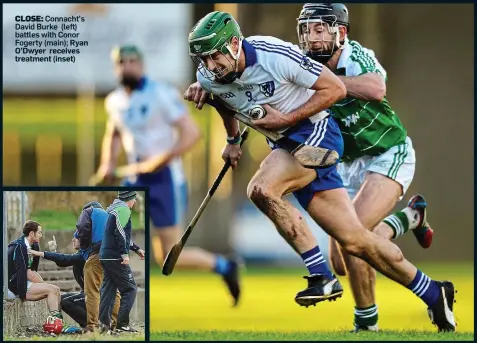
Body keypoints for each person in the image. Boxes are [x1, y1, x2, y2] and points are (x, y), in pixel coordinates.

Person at [184, 11, 456, 332]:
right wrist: (231, 140)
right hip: (306, 151)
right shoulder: (210, 75)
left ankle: (322, 278)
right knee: (352, 244)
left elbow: (348, 89)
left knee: (261, 189)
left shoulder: (280, 55)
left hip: (333, 141)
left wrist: (285, 118)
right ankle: (433, 291)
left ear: (233, 43)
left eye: (214, 55)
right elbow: (227, 100)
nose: (210, 65)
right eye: (203, 59)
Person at [293, 3, 436, 332]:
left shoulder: (355, 55)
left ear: (340, 32)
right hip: (348, 166)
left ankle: (366, 325)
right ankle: (409, 218)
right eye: (307, 29)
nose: (312, 38)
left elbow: (376, 88)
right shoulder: (302, 68)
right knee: (342, 260)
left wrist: (331, 85)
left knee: (353, 237)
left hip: (388, 153)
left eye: (320, 29)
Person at [94, 44, 241, 306]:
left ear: (141, 65)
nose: (127, 66)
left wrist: (160, 161)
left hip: (164, 180)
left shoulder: (160, 94)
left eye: (132, 61)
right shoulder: (114, 101)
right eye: (121, 62)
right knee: (111, 233)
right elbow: (114, 133)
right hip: (134, 179)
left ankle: (225, 266)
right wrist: (107, 163)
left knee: (168, 258)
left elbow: (192, 134)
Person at [7, 220, 68, 334]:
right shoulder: (19, 247)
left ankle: (58, 323)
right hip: (14, 285)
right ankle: (56, 325)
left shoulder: (34, 245)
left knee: (55, 290)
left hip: (24, 281)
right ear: (31, 234)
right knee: (52, 290)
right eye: (39, 232)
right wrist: (47, 286)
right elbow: (28, 273)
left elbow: (33, 271)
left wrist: (47, 286)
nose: (41, 235)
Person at [99, 191, 144, 333]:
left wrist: (136, 249)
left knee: (108, 290)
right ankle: (122, 324)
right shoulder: (124, 210)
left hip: (105, 255)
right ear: (129, 199)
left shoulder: (113, 210)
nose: (135, 202)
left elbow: (120, 233)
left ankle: (103, 325)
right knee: (130, 288)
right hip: (115, 256)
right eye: (134, 199)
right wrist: (124, 254)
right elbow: (119, 233)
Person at [75, 200, 124, 333]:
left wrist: (86, 247)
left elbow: (82, 227)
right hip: (115, 254)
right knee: (114, 291)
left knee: (92, 291)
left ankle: (93, 326)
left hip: (97, 252)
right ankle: (115, 325)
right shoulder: (110, 215)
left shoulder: (89, 211)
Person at [29, 231, 89, 333]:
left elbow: (65, 259)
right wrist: (54, 251)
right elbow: (63, 262)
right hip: (86, 293)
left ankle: (91, 326)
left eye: (76, 238)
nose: (73, 240)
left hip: (96, 295)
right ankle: (61, 324)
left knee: (66, 301)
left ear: (83, 240)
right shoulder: (80, 254)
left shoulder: (84, 256)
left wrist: (39, 253)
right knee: (60, 298)